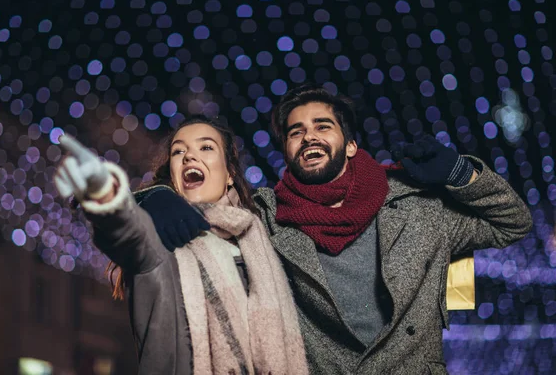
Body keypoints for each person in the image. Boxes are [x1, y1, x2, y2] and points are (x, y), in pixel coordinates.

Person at [150, 85, 534, 374]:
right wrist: (153, 196)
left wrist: (459, 172)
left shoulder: (418, 207)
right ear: (286, 149)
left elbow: (512, 223)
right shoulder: (266, 216)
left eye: (322, 126)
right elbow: (207, 199)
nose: (309, 137)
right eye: (296, 132)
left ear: (349, 145)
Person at [53, 116, 309, 375]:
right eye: (178, 151)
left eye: (206, 147)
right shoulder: (162, 242)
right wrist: (107, 196)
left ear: (230, 174)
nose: (189, 157)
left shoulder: (265, 241)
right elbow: (128, 233)